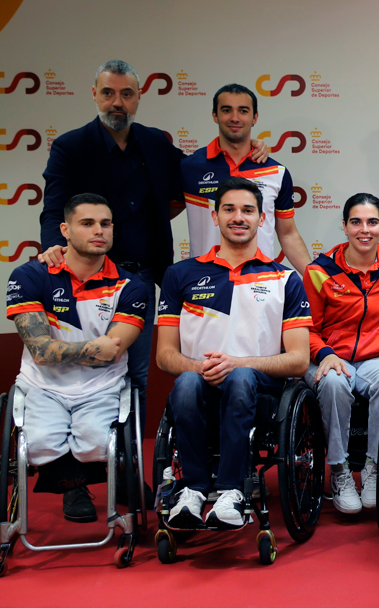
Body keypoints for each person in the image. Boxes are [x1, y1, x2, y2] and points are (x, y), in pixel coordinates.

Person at [39, 61, 268, 425]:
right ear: (94, 95)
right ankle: (86, 470)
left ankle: (133, 472)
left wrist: (245, 149)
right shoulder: (70, 146)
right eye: (109, 93)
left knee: (137, 379)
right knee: (84, 375)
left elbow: (201, 171)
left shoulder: (155, 144)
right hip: (85, 279)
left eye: (126, 94)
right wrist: (53, 244)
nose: (118, 102)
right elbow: (54, 208)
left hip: (143, 279)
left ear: (138, 98)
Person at [157, 178, 310, 529]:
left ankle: (231, 491)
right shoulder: (180, 274)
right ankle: (192, 491)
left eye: (247, 210)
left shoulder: (285, 278)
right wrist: (200, 367)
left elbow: (299, 360)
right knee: (185, 382)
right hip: (199, 385)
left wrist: (237, 363)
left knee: (239, 377)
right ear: (214, 217)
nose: (238, 217)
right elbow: (165, 355)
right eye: (229, 209)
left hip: (261, 393)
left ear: (261, 219)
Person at [7, 193, 146, 522]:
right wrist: (91, 348)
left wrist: (66, 351)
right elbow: (40, 352)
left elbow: (109, 355)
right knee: (38, 448)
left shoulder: (131, 285)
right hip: (43, 387)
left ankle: (102, 484)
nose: (99, 230)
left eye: (105, 224)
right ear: (65, 230)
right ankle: (72, 488)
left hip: (102, 387)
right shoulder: (30, 276)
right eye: (87, 223)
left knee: (97, 448)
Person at [304, 193, 379, 513]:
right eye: (356, 222)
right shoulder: (319, 271)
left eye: (372, 222)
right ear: (345, 226)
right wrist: (324, 354)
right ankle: (339, 471)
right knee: (334, 382)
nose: (365, 229)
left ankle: (376, 467)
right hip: (330, 355)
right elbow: (305, 328)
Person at [180, 83, 311, 270]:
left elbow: (288, 235)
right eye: (226, 110)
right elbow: (161, 216)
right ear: (215, 116)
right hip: (205, 283)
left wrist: (317, 280)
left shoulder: (276, 172)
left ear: (254, 117)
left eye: (243, 111)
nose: (235, 118)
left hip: (261, 284)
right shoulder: (189, 167)